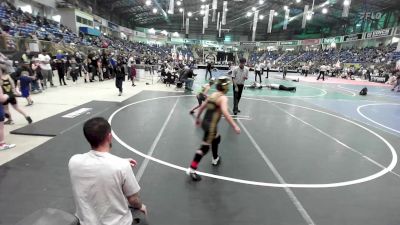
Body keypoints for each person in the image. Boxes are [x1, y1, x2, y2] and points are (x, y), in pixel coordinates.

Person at [69, 117, 147, 225]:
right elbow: (133, 200)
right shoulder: (121, 166)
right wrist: (141, 206)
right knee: (141, 216)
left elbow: (96, 164)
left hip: (85, 223)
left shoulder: (74, 161)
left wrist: (121, 162)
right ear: (109, 137)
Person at [187, 77, 241, 181]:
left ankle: (215, 158)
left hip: (205, 123)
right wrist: (235, 126)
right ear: (225, 87)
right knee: (204, 148)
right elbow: (225, 112)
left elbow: (202, 107)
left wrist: (198, 119)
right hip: (211, 126)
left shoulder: (213, 95)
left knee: (216, 138)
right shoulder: (223, 98)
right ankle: (192, 169)